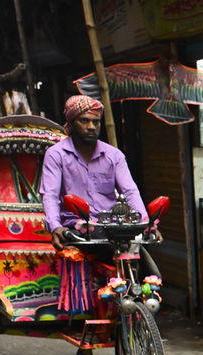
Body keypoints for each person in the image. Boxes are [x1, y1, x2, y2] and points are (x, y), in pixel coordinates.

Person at [41, 95, 146, 248]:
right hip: (75, 228)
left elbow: (130, 191)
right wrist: (56, 227)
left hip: (111, 227)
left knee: (140, 258)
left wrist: (144, 222)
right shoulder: (56, 154)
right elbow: (50, 195)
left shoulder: (114, 155)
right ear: (71, 122)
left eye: (96, 121)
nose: (91, 126)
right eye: (84, 120)